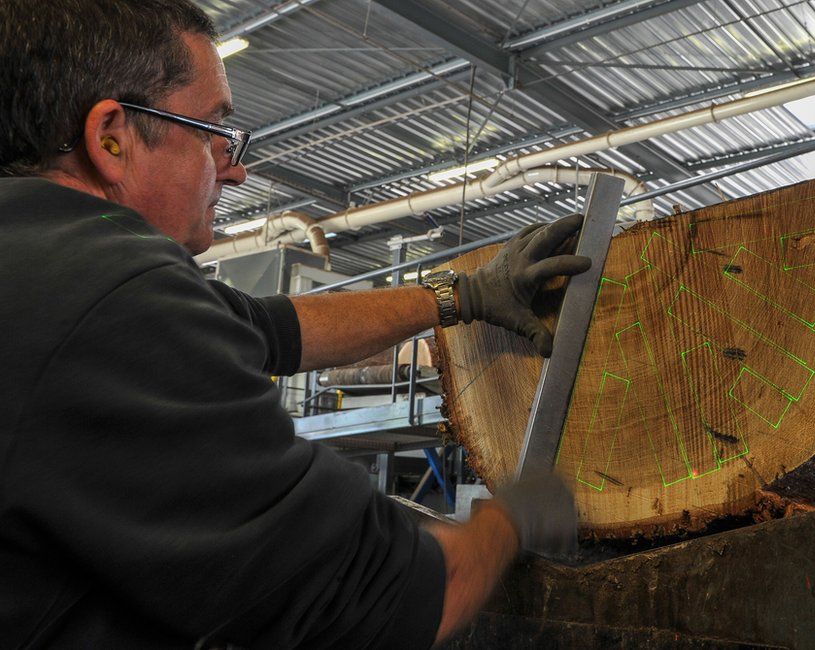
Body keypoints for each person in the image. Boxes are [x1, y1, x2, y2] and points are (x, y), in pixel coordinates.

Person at [0, 1, 590, 648]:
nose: (235, 166)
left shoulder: (41, 264)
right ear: (110, 137)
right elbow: (376, 602)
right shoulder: (115, 293)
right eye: (210, 131)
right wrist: (509, 520)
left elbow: (273, 326)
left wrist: (460, 295)